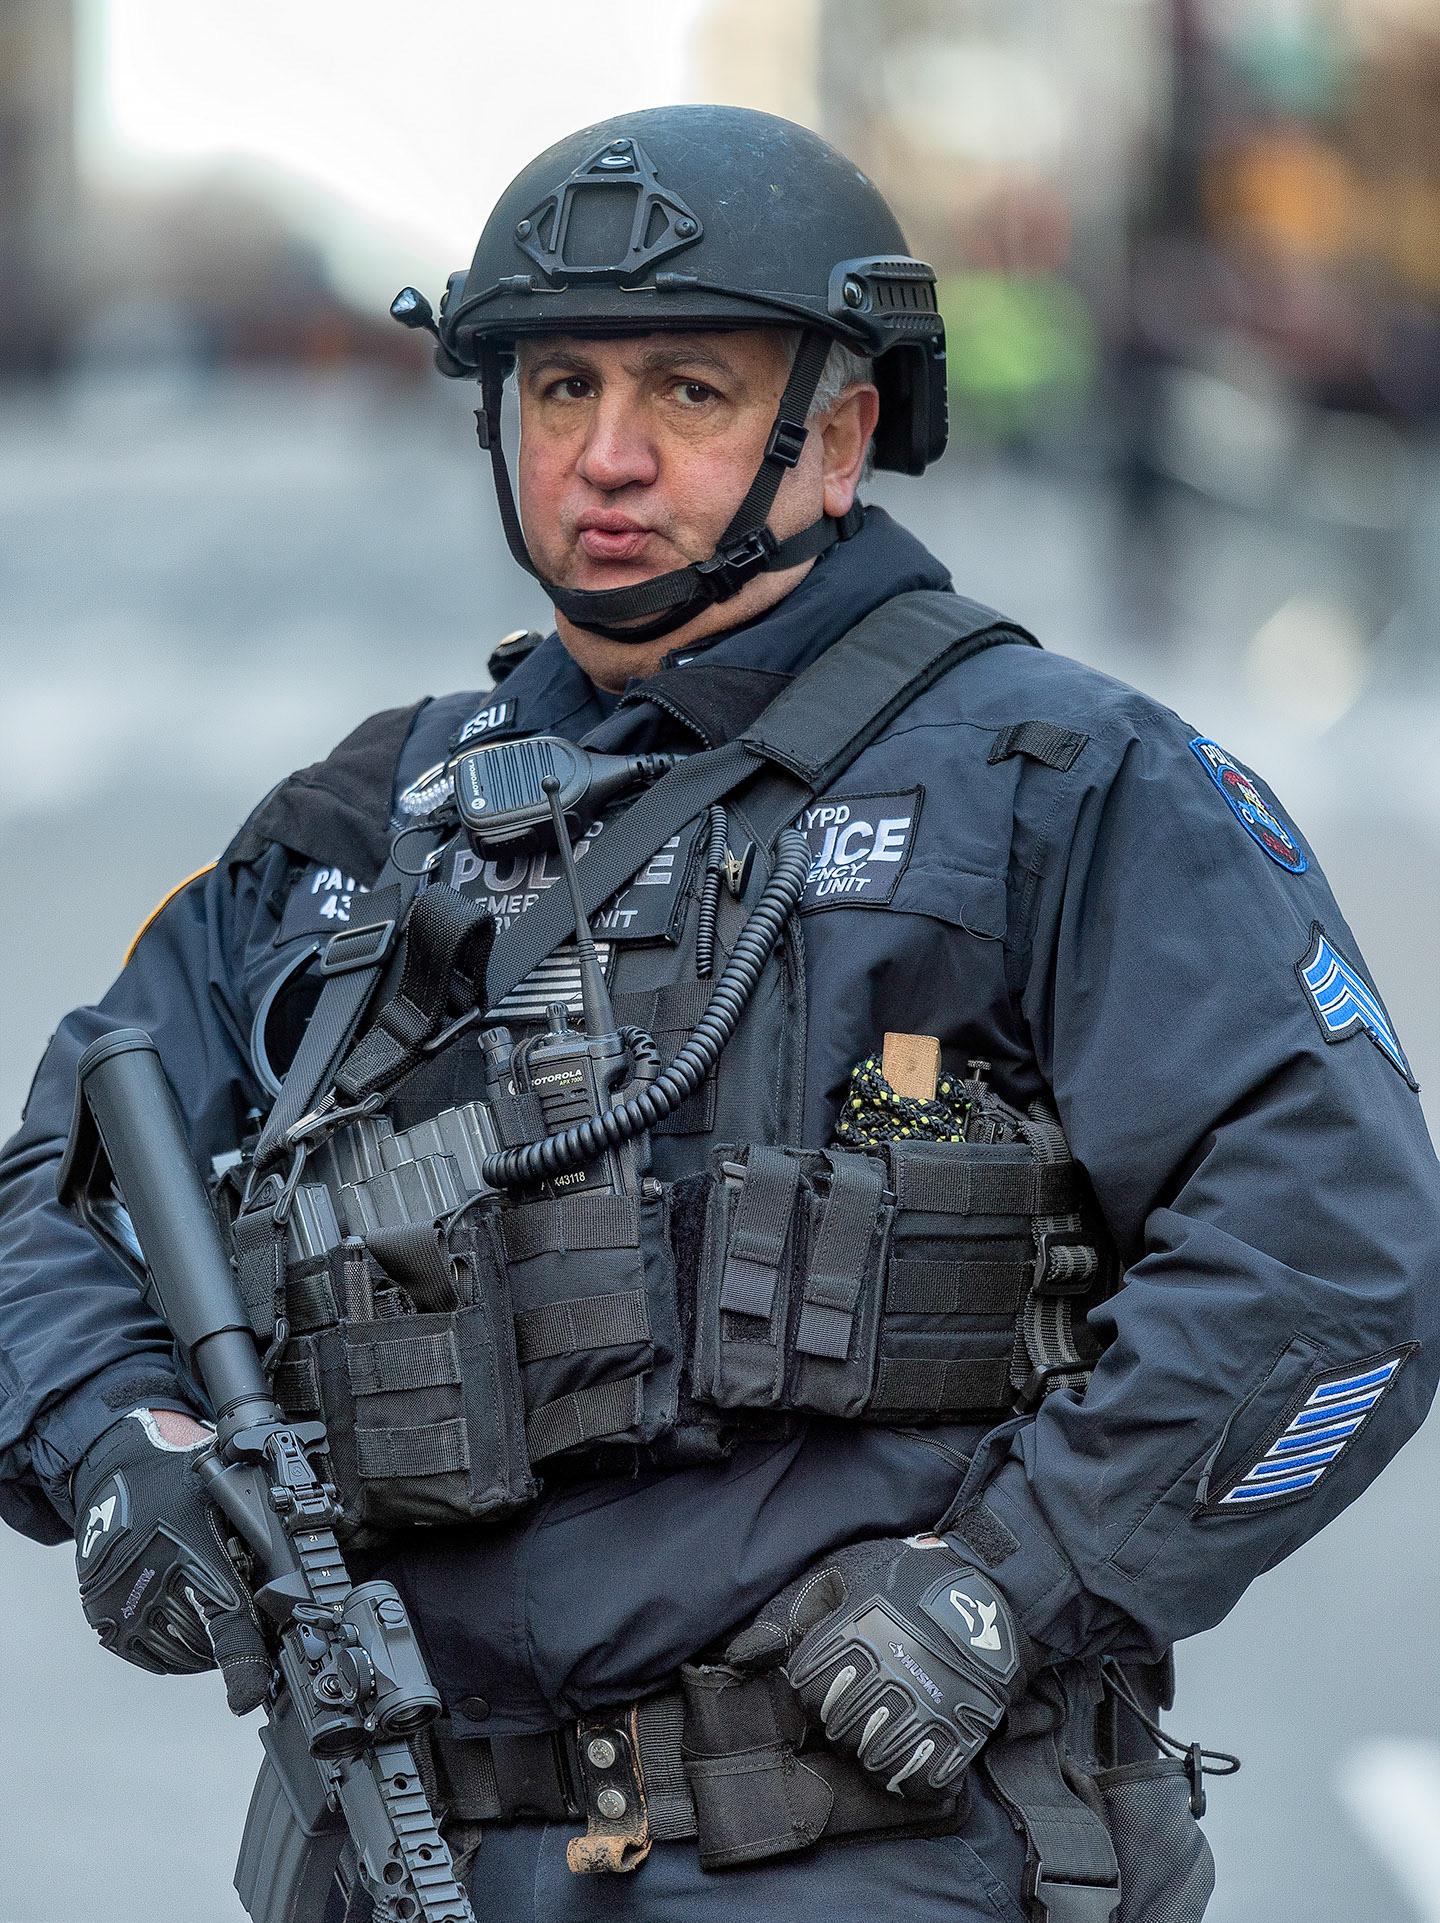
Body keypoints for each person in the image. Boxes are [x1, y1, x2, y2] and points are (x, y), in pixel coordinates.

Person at [2, 104, 1437, 1923]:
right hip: (397, 1846)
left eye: (687, 391)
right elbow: (54, 1185)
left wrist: (1017, 1578)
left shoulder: (1062, 783)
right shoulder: (355, 828)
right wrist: (117, 1441)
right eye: (557, 390)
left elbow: (1341, 1255)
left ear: (837, 438)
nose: (605, 457)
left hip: (867, 1843)